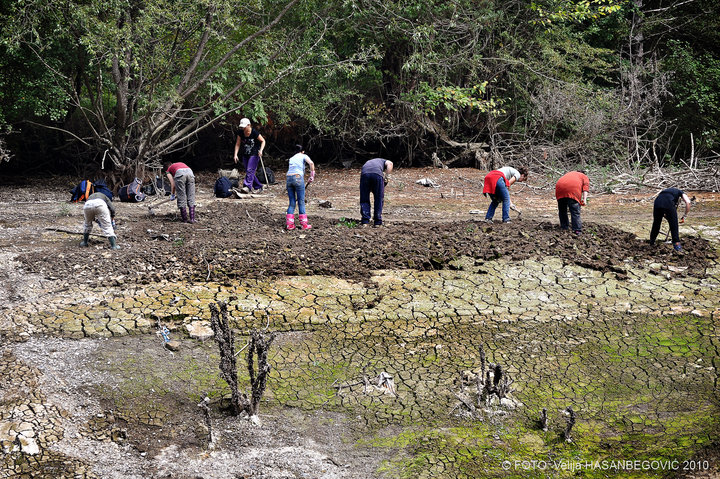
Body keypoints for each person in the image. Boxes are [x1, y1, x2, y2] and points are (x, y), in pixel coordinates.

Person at [650, 187, 691, 252]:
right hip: (668, 203)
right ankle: (677, 245)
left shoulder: (665, 192)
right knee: (674, 225)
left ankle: (651, 242)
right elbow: (688, 202)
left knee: (656, 223)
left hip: (657, 202)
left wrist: (668, 216)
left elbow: (663, 207)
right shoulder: (680, 192)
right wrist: (684, 215)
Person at [285, 145, 316, 230]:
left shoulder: (291, 158)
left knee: (292, 202)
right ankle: (304, 224)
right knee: (301, 201)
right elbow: (311, 163)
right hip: (298, 178)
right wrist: (312, 176)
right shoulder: (303, 156)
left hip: (289, 179)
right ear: (302, 151)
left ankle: (290, 225)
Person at [233, 118, 266, 194]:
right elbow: (238, 144)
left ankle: (247, 187)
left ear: (249, 125)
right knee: (249, 172)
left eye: (244, 127)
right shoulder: (240, 132)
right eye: (242, 127)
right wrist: (235, 154)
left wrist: (261, 150)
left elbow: (263, 141)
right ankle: (259, 186)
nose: (243, 128)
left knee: (250, 170)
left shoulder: (254, 132)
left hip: (254, 154)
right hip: (245, 154)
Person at [360, 158, 393, 227]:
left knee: (364, 197)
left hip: (364, 174)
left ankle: (365, 221)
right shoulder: (384, 161)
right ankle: (377, 221)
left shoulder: (369, 162)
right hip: (377, 174)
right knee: (379, 198)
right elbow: (390, 164)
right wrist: (386, 177)